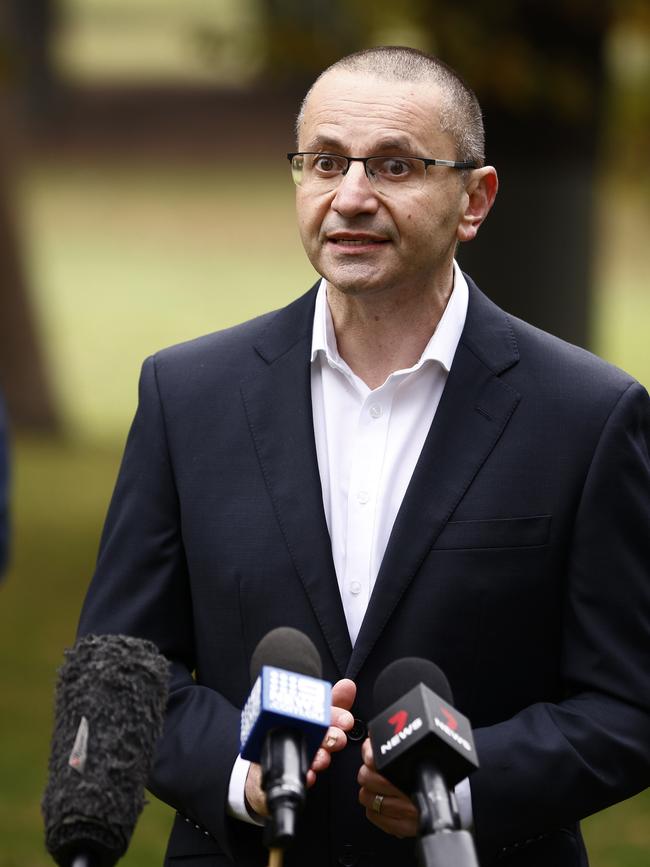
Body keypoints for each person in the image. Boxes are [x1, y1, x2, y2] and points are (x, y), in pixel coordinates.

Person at [77, 46, 650, 867]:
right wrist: (244, 776)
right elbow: (123, 668)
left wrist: (460, 786)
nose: (350, 197)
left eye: (393, 166)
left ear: (473, 199)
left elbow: (628, 705)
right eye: (325, 162)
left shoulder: (589, 414)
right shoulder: (186, 394)